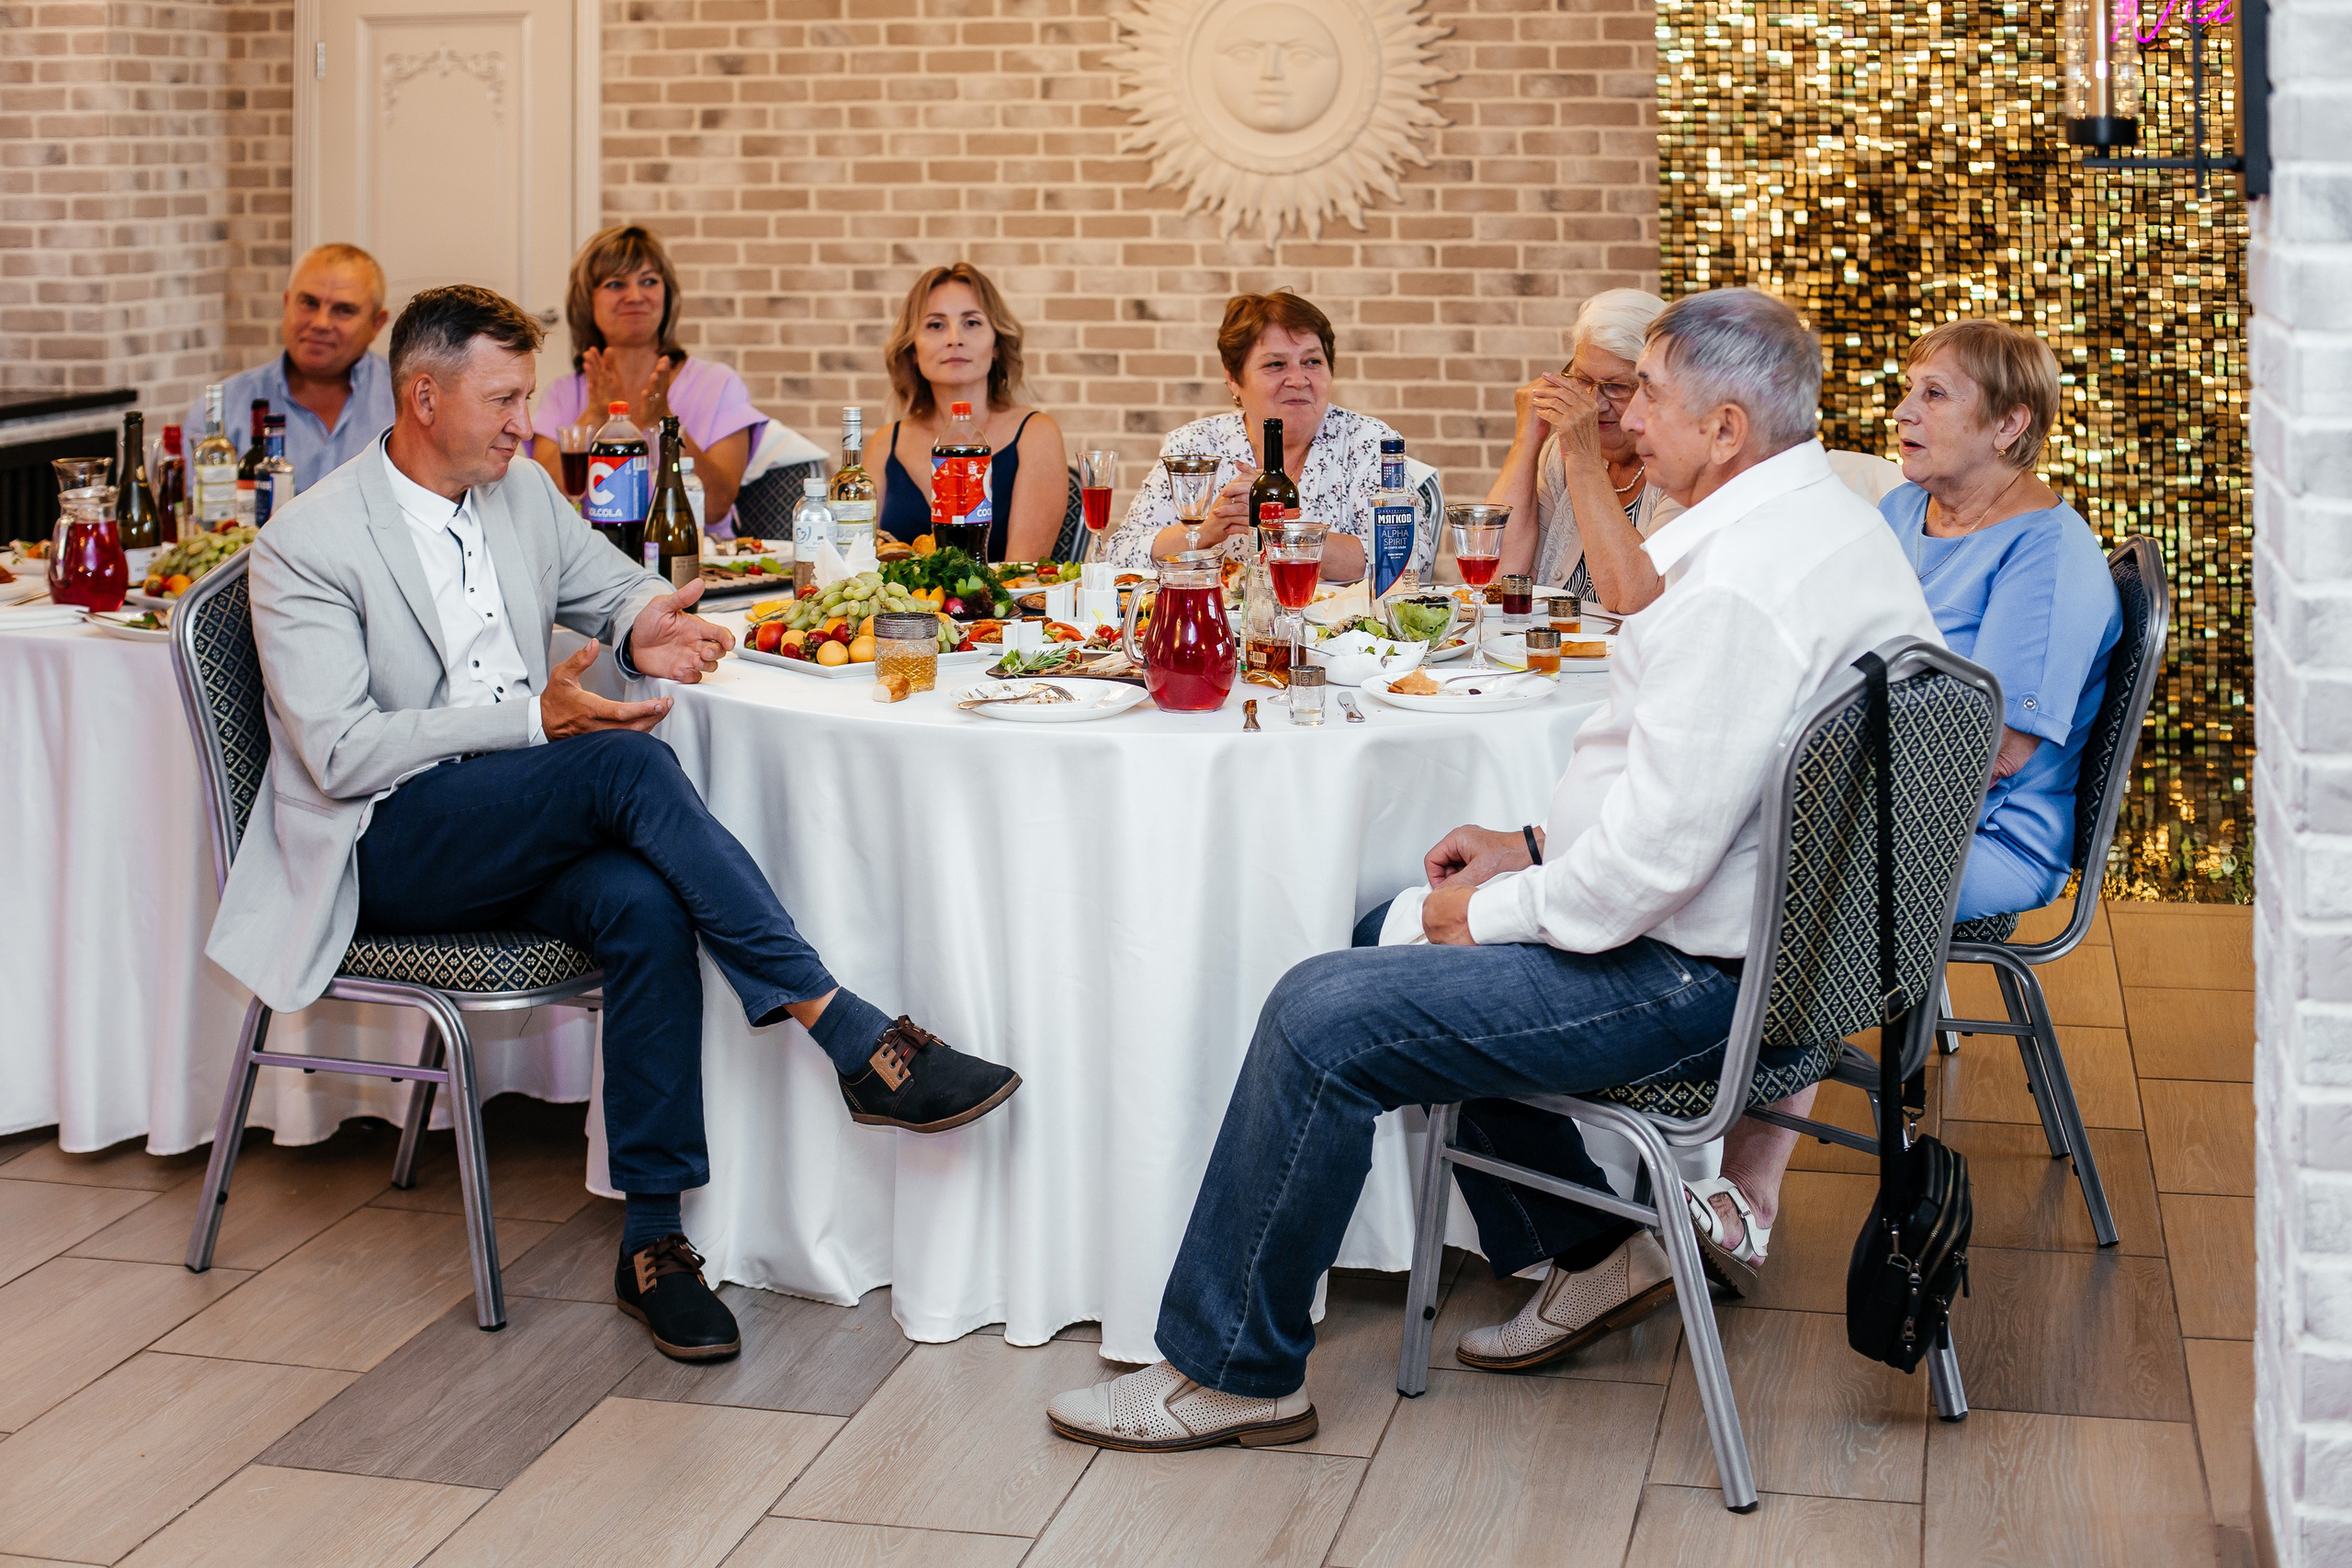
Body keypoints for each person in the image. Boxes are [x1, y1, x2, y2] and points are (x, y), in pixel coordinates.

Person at [1045, 289, 1941, 1450]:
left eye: (1647, 400)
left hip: (1706, 985)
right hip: (1782, 950)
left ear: (1725, 430)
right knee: (1390, 922)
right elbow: (1724, 801)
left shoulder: (1735, 595)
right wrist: (1528, 850)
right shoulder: (1828, 527)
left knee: (1323, 1010)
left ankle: (1232, 1371)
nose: (1625, 425)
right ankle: (1596, 1249)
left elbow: (1642, 878)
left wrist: (1498, 907)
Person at [210, 286, 1022, 1366]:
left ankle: (654, 1240)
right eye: (502, 400)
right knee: (625, 770)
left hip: (513, 823)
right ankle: (849, 1032)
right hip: (385, 840)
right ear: (420, 396)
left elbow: (613, 589)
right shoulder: (308, 542)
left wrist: (653, 624)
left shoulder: (517, 493)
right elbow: (338, 752)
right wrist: (529, 717)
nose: (522, 423)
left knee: (642, 903)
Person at [1680, 318, 2123, 1293]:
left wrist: (1809, 767)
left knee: (1800, 896)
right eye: (1906, 388)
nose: (1900, 411)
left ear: (2009, 426)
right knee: (1696, 845)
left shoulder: (2047, 554)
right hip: (1867, 801)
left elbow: (1999, 751)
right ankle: (1661, 1147)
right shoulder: (1902, 516)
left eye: (1934, 395)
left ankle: (1743, 1200)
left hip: (1981, 833)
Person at [1102, 291, 1384, 581]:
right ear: (1234, 380)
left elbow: (1408, 560)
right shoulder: (1196, 447)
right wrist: (1204, 530)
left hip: (1343, 627)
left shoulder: (1369, 443)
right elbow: (1118, 554)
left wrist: (1282, 528)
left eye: (1312, 361)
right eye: (1275, 364)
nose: (1298, 380)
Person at [531, 224, 763, 535]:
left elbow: (716, 506)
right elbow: (544, 504)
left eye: (649, 281)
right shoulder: (562, 395)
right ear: (587, 301)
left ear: (667, 294)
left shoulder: (719, 385)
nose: (635, 296)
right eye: (616, 284)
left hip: (697, 569)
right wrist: (596, 415)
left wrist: (664, 423)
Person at [1489, 288, 1687, 610]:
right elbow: (1497, 576)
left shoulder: (1681, 467)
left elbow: (1633, 597)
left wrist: (1584, 460)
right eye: (1581, 380)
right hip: (1555, 653)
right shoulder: (1560, 453)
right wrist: (1527, 439)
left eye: (1617, 387)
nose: (1594, 404)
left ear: (1658, 389)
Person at [873, 263, 1069, 560]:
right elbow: (854, 568)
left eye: (972, 323)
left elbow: (1022, 576)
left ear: (997, 346)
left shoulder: (1036, 434)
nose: (954, 339)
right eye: (935, 325)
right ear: (913, 350)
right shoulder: (884, 444)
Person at [187, 243, 395, 491]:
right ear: (287, 304)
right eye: (309, 303)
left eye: (343, 310)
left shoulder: (408, 402)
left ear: (376, 324)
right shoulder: (221, 411)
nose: (320, 323)